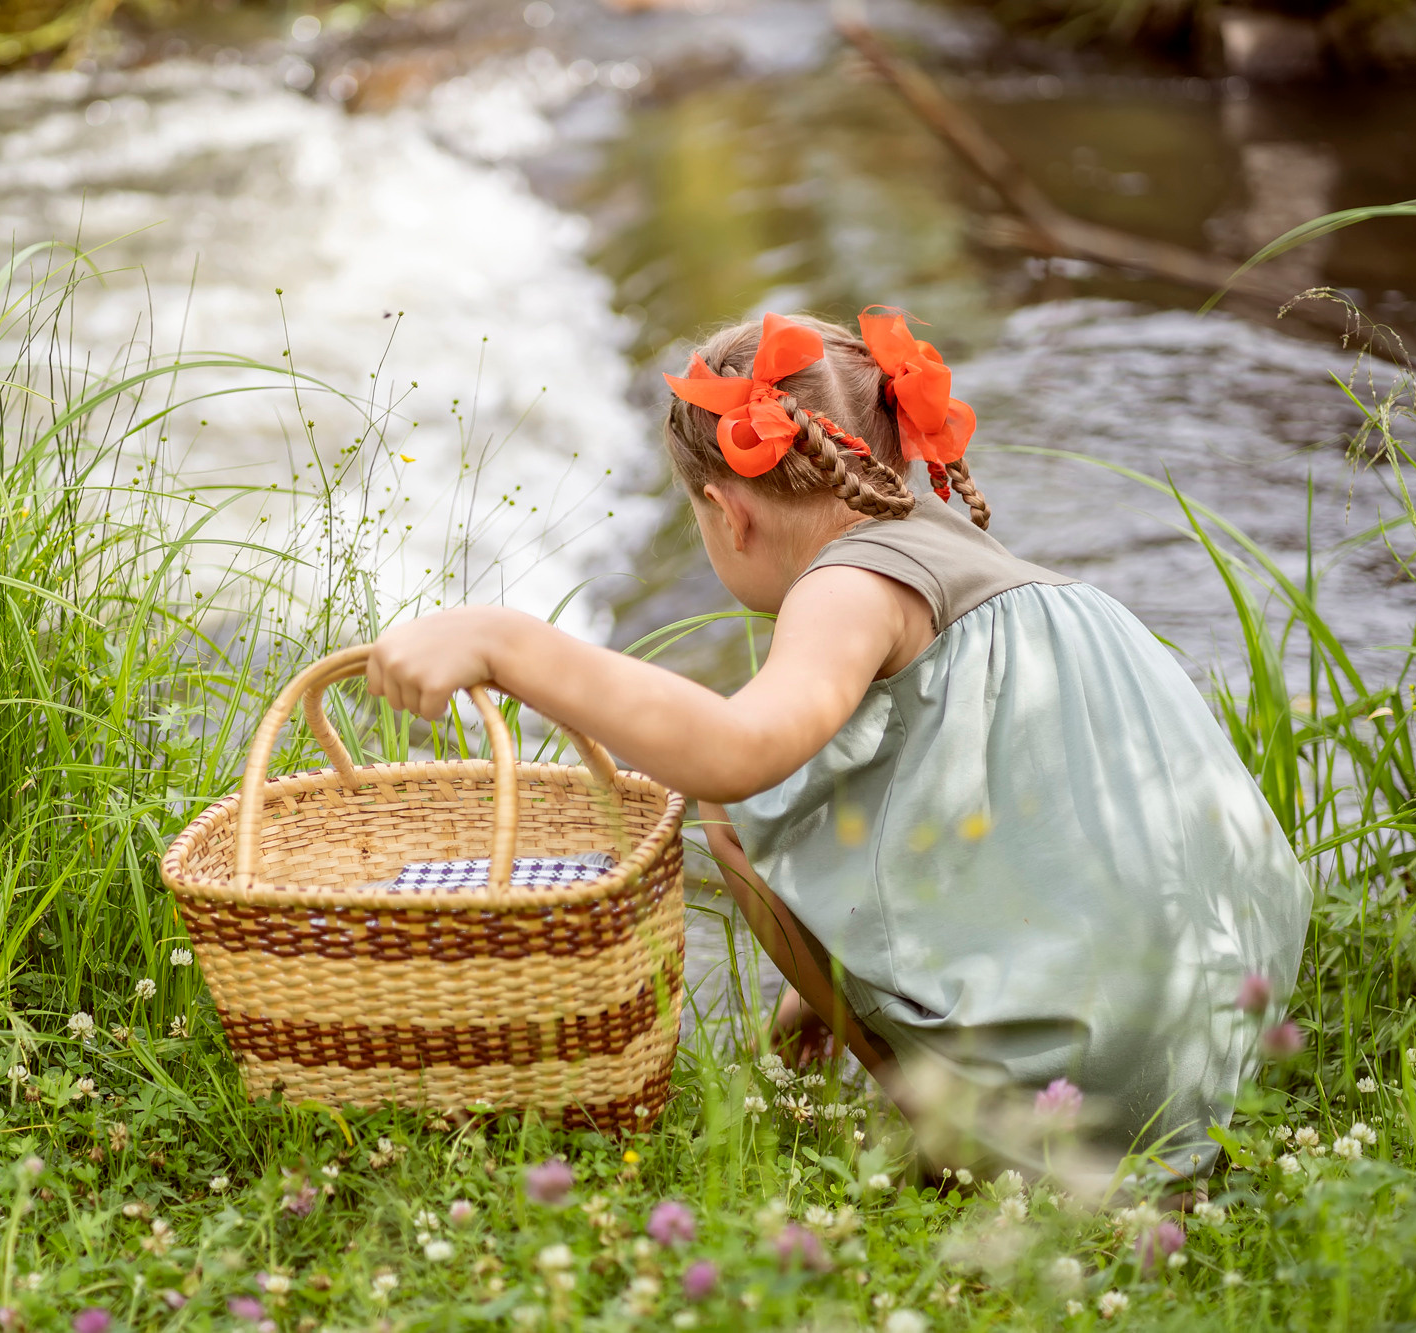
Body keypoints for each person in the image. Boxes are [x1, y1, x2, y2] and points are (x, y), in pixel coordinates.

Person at [364, 307, 1310, 1185]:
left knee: (730, 806)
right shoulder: (982, 570)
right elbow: (990, 832)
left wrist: (507, 640)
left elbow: (739, 751)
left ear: (729, 511)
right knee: (816, 782)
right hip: (1221, 1020)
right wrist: (824, 983)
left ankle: (947, 1127)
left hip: (1085, 1085)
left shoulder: (846, 583)